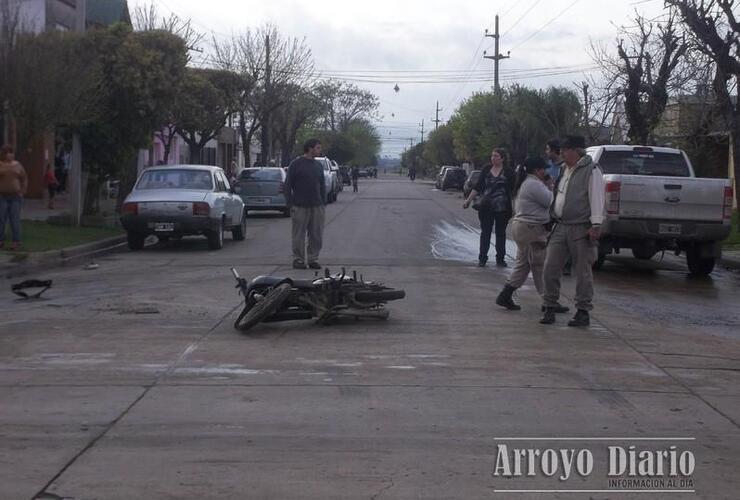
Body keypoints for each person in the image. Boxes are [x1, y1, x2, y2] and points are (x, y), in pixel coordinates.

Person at [540, 135, 605, 327]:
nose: (561, 154)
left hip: (581, 227)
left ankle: (583, 311)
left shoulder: (591, 171)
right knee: (550, 267)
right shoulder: (563, 169)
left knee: (582, 271)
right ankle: (549, 306)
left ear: (576, 151)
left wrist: (596, 225)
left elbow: (597, 198)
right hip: (560, 225)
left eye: (565, 150)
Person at [463, 148, 515, 267]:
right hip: (486, 207)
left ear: (502, 158)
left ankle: (500, 259)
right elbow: (478, 186)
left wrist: (514, 207)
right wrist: (468, 200)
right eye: (492, 156)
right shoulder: (486, 170)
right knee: (485, 233)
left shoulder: (508, 172)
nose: (493, 158)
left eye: (496, 156)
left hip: (502, 209)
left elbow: (513, 191)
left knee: (501, 233)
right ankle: (482, 258)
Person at [284, 138, 326, 270]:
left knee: (316, 234)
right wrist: (290, 203)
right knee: (298, 235)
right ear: (310, 148)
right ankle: (298, 259)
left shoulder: (318, 166)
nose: (320, 150)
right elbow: (288, 185)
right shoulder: (296, 164)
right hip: (299, 206)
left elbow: (322, 185)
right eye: (318, 148)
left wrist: (323, 202)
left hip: (317, 205)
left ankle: (313, 258)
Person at [0, 145, 28, 251]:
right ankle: (1, 240)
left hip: (15, 197)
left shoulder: (18, 165)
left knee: (14, 219)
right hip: (2, 196)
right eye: (8, 152)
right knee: (1, 219)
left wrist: (23, 190)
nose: (11, 154)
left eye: (12, 152)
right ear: (4, 153)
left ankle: (16, 242)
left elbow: (24, 178)